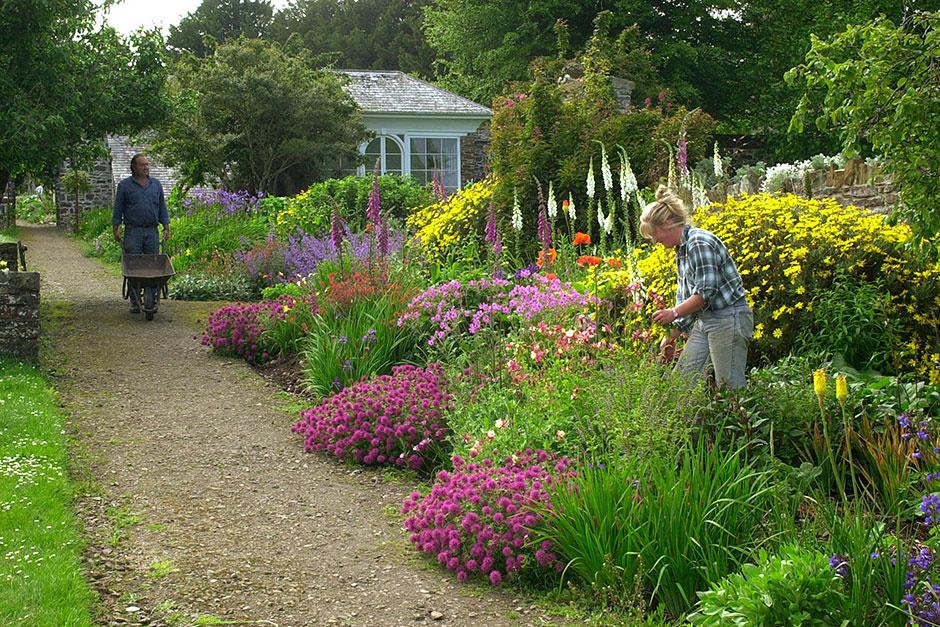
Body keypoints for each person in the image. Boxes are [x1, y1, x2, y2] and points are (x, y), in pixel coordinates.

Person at [641, 186, 753, 389]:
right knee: (682, 385)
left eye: (655, 234)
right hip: (706, 321)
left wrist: (673, 313)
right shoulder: (682, 249)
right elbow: (687, 296)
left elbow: (704, 294)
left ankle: (741, 419)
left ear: (667, 224)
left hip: (728, 318)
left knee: (730, 388)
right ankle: (691, 421)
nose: (655, 240)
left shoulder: (699, 243)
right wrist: (671, 337)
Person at [112, 154, 170, 314]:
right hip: (133, 231)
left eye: (147, 165)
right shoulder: (124, 186)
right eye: (142, 165)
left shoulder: (156, 185)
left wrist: (166, 227)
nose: (146, 167)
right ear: (134, 167)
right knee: (133, 266)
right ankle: (135, 301)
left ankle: (153, 296)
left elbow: (162, 208)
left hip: (152, 231)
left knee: (153, 267)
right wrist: (116, 228)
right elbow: (118, 208)